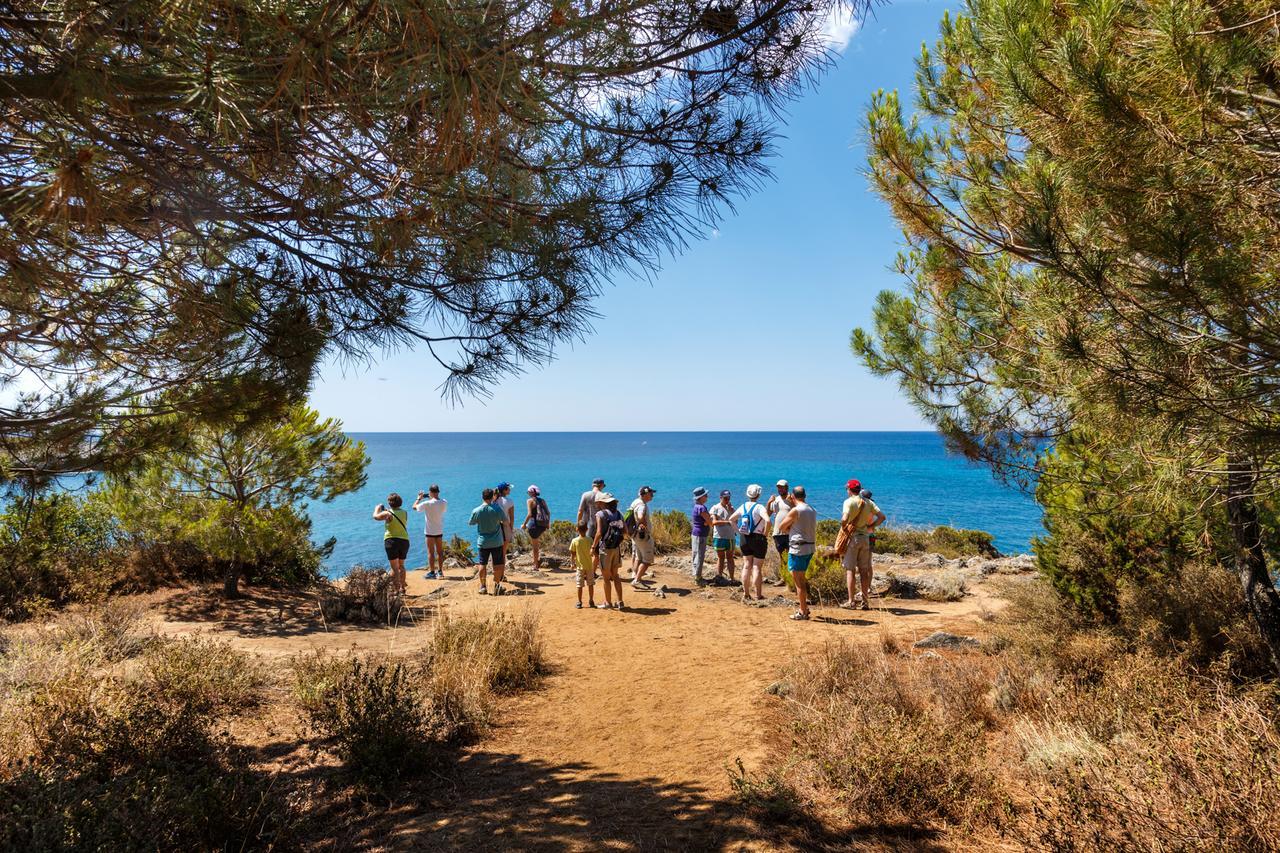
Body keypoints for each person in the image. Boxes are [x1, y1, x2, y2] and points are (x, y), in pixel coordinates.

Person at [838, 479, 885, 610]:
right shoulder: (868, 502)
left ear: (849, 489)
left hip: (853, 539)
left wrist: (844, 527)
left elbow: (844, 518)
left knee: (850, 570)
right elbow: (882, 517)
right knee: (864, 571)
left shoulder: (848, 502)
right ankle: (865, 602)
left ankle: (851, 601)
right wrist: (871, 525)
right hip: (865, 538)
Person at [778, 485, 817, 620]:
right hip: (810, 547)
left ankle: (802, 611)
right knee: (802, 578)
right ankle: (804, 607)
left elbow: (782, 527)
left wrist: (791, 531)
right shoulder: (812, 509)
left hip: (798, 548)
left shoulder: (795, 510)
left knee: (798, 581)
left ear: (793, 496)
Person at [732, 484, 771, 602]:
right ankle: (758, 595)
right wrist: (765, 534)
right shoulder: (759, 507)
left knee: (746, 565)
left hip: (745, 538)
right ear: (758, 494)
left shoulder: (743, 506)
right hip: (758, 538)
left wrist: (738, 532)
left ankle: (746, 593)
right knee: (756, 567)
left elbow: (731, 519)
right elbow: (768, 521)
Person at [468, 488, 507, 595]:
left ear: (482, 497)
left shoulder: (477, 510)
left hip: (483, 542)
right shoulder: (497, 509)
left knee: (482, 563)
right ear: (492, 497)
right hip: (497, 542)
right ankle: (497, 586)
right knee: (498, 564)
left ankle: (483, 587)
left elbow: (471, 522)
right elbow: (505, 520)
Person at [591, 492, 626, 610]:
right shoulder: (619, 514)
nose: (597, 504)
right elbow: (625, 532)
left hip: (605, 549)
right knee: (615, 575)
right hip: (616, 548)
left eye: (598, 502)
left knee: (606, 578)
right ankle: (620, 602)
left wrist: (593, 547)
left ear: (602, 503)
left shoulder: (600, 514)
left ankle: (608, 603)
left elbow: (599, 533)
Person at [373, 493, 411, 594]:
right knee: (401, 566)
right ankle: (402, 588)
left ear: (389, 503)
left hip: (391, 541)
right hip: (404, 541)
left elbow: (375, 517)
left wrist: (377, 508)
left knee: (394, 568)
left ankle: (396, 590)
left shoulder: (388, 514)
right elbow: (396, 516)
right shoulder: (405, 512)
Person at [412, 485, 448, 579]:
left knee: (430, 553)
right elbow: (438, 504)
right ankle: (440, 572)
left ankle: (432, 572)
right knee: (440, 552)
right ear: (438, 492)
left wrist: (419, 498)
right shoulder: (444, 502)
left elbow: (414, 507)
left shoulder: (427, 503)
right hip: (439, 530)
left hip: (429, 531)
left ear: (430, 492)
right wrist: (431, 497)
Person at [766, 480, 795, 587]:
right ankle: (784, 578)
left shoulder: (792, 499)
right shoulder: (776, 500)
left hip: (790, 532)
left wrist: (792, 502)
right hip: (778, 533)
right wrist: (769, 503)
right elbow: (768, 514)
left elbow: (799, 510)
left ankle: (793, 579)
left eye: (782, 487)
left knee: (791, 556)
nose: (780, 489)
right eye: (779, 487)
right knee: (782, 557)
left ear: (787, 488)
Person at [629, 485, 656, 588]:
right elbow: (640, 516)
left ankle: (635, 576)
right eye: (650, 494)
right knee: (647, 560)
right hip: (643, 536)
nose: (652, 496)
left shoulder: (635, 502)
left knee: (638, 557)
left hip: (635, 535)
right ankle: (637, 580)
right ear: (644, 494)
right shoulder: (642, 505)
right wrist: (644, 525)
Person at [577, 478, 606, 572]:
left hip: (587, 527)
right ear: (601, 485)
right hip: (600, 527)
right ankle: (592, 573)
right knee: (597, 552)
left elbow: (580, 511)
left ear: (593, 485)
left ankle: (584, 571)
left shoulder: (586, 495)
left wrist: (578, 524)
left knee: (586, 551)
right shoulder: (603, 496)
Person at [709, 489, 737, 583]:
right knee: (721, 557)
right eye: (725, 498)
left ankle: (732, 578)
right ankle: (719, 576)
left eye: (728, 498)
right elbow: (714, 522)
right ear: (720, 498)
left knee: (730, 558)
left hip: (730, 537)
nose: (727, 500)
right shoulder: (715, 508)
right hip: (719, 537)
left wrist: (732, 511)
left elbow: (736, 522)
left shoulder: (732, 509)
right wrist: (727, 522)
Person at [523, 485, 551, 570]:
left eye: (528, 492)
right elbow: (548, 513)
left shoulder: (530, 501)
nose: (528, 494)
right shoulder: (542, 500)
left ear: (531, 492)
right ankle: (537, 562)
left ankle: (535, 566)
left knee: (535, 547)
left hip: (533, 525)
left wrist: (524, 524)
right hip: (542, 526)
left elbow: (530, 514)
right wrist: (548, 524)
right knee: (537, 544)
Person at [689, 486, 713, 585]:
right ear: (701, 497)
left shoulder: (696, 507)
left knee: (695, 554)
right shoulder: (702, 508)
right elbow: (709, 522)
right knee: (700, 555)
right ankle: (698, 578)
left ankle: (696, 575)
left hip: (696, 533)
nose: (707, 496)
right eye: (705, 495)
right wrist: (708, 522)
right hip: (701, 534)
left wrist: (706, 522)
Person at [570, 522, 596, 609]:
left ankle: (579, 602)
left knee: (579, 585)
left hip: (579, 567)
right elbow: (593, 552)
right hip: (589, 566)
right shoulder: (590, 540)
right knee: (590, 584)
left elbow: (573, 554)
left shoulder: (574, 541)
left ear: (577, 529)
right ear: (587, 529)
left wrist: (572, 563)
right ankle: (591, 600)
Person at [494, 482, 516, 565]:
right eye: (508, 488)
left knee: (495, 550)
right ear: (504, 490)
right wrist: (511, 528)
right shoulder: (509, 501)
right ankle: (502, 573)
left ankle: (495, 569)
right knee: (503, 551)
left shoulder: (494, 500)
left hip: (495, 526)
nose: (510, 489)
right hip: (505, 526)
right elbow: (511, 517)